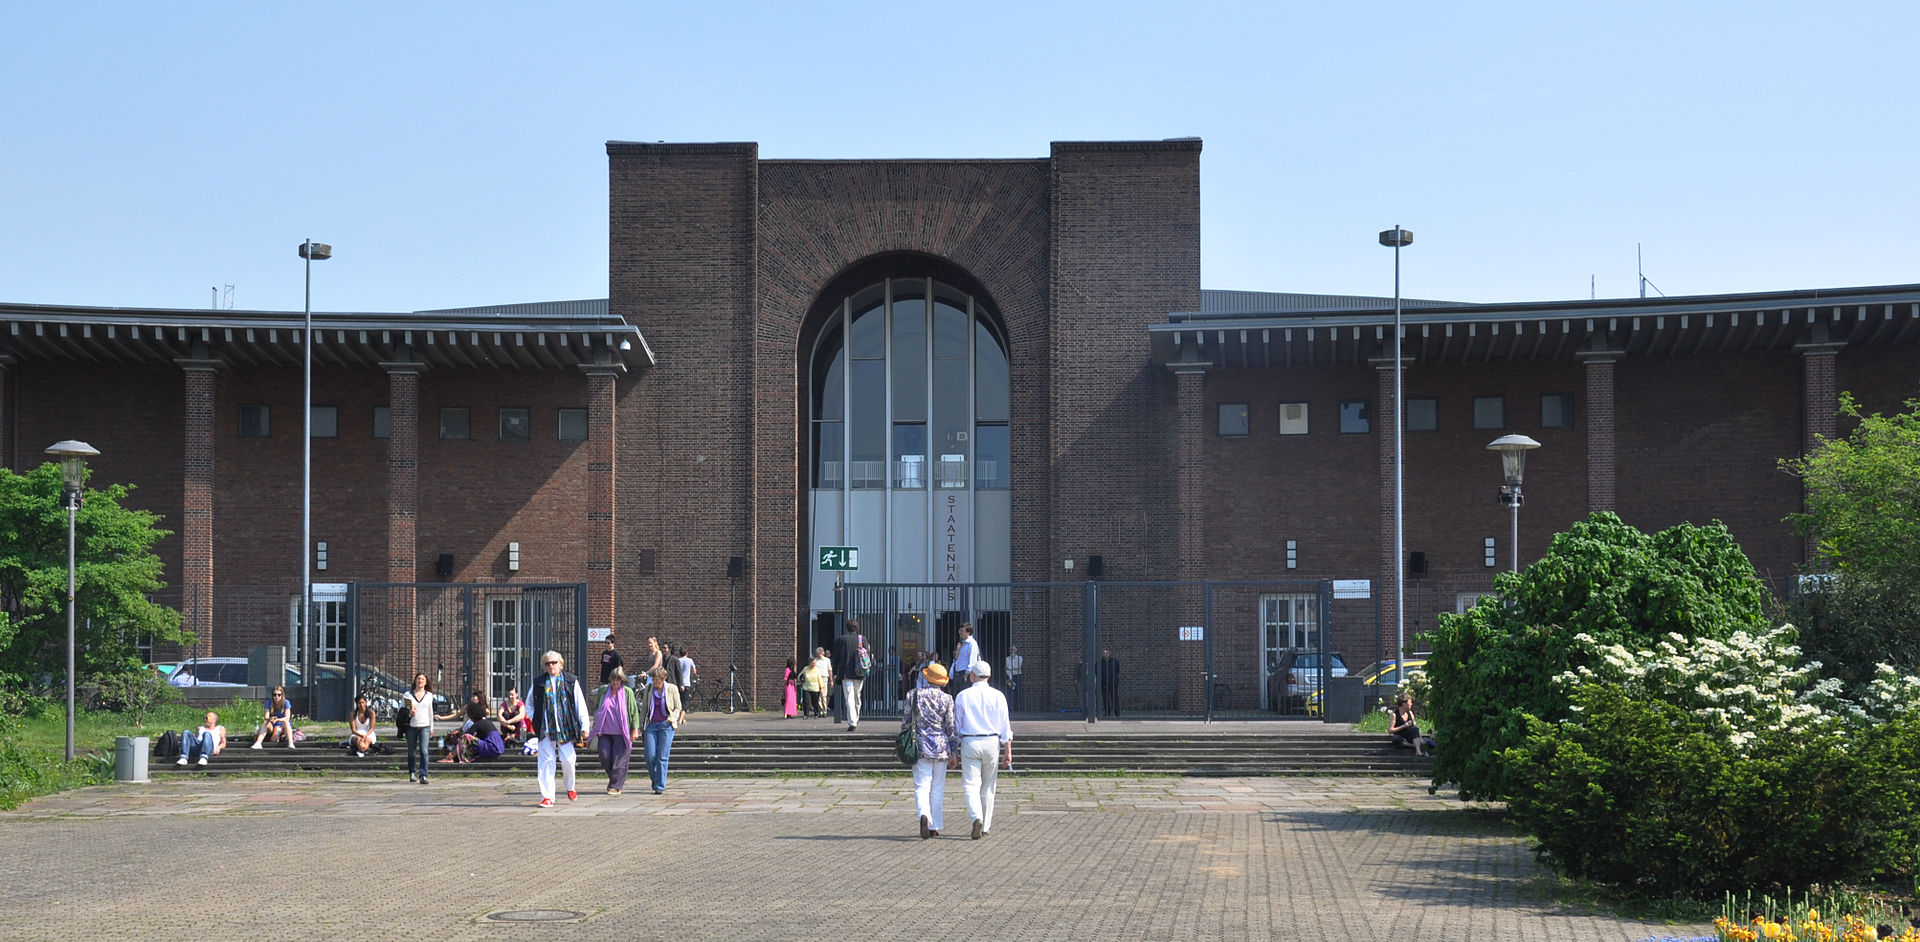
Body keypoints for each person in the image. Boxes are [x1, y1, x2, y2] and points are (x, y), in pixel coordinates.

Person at [953, 661, 1014, 839]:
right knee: (988, 785)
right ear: (989, 676)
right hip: (992, 742)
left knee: (970, 784)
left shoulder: (963, 696)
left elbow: (956, 726)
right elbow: (1005, 725)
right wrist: (1008, 750)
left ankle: (976, 817)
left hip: (970, 741)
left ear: (972, 676)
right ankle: (986, 825)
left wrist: (953, 750)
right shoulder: (999, 696)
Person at [900, 661, 958, 838]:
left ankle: (924, 814)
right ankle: (935, 825)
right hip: (941, 747)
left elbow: (906, 722)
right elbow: (951, 726)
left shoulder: (914, 695)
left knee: (921, 785)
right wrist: (953, 751)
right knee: (937, 787)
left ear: (926, 677)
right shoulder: (947, 699)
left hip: (920, 746)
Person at [526, 650, 591, 807]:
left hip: (565, 728)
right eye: (548, 663)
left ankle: (570, 787)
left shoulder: (570, 681)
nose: (551, 666)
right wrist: (535, 719)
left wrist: (585, 725)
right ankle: (547, 796)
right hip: (545, 728)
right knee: (546, 762)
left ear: (560, 664)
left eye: (554, 662)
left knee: (568, 759)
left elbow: (579, 704)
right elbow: (529, 704)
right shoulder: (539, 682)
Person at [590, 666, 641, 795]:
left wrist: (635, 729)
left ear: (622, 680)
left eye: (618, 679)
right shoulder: (603, 691)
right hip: (605, 731)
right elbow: (596, 707)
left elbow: (634, 711)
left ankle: (615, 785)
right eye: (613, 679)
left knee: (619, 759)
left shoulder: (628, 692)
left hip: (621, 732)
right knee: (604, 756)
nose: (615, 682)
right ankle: (614, 779)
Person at [639, 666, 686, 795]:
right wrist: (640, 725)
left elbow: (678, 707)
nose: (654, 682)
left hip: (666, 726)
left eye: (657, 680)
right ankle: (655, 779)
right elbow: (644, 709)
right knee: (650, 756)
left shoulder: (672, 689)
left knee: (662, 757)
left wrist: (670, 719)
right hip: (651, 726)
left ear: (663, 678)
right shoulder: (649, 689)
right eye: (653, 679)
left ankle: (659, 785)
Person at [831, 621, 867, 732]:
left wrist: (835, 671)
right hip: (860, 672)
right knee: (857, 696)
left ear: (847, 628)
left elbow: (836, 657)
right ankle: (856, 717)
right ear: (857, 628)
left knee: (849, 698)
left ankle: (852, 722)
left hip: (846, 672)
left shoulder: (841, 640)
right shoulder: (862, 639)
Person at [403, 673, 435, 784]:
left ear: (426, 682)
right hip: (412, 726)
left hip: (424, 726)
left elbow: (430, 712)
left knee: (424, 750)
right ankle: (412, 772)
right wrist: (409, 713)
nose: (420, 681)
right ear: (415, 681)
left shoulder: (429, 695)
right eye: (418, 679)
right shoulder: (408, 695)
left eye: (422, 679)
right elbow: (402, 710)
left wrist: (431, 727)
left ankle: (423, 774)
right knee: (411, 751)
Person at [810, 646, 834, 720]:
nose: (818, 655)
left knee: (824, 695)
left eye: (819, 653)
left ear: (822, 653)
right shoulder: (816, 660)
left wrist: (831, 680)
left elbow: (830, 670)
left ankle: (824, 710)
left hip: (824, 678)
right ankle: (820, 711)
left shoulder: (827, 660)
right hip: (817, 678)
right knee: (818, 695)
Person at [1098, 649, 1121, 717]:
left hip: (1113, 683)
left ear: (1109, 653)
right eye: (1104, 653)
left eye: (1107, 653)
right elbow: (1097, 672)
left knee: (1115, 699)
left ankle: (1117, 713)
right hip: (1104, 684)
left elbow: (1117, 670)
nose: (1105, 654)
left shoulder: (1114, 661)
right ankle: (1107, 713)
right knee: (1105, 699)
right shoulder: (1099, 662)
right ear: (1102, 654)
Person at [1004, 645, 1024, 712]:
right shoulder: (1007, 659)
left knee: (1017, 692)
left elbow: (1018, 667)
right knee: (1009, 692)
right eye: (1011, 650)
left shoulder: (1019, 658)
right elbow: (1007, 669)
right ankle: (1010, 707)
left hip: (1016, 675)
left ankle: (1017, 708)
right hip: (1010, 676)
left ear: (1016, 651)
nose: (1012, 651)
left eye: (1013, 650)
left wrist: (1010, 668)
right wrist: (1010, 676)